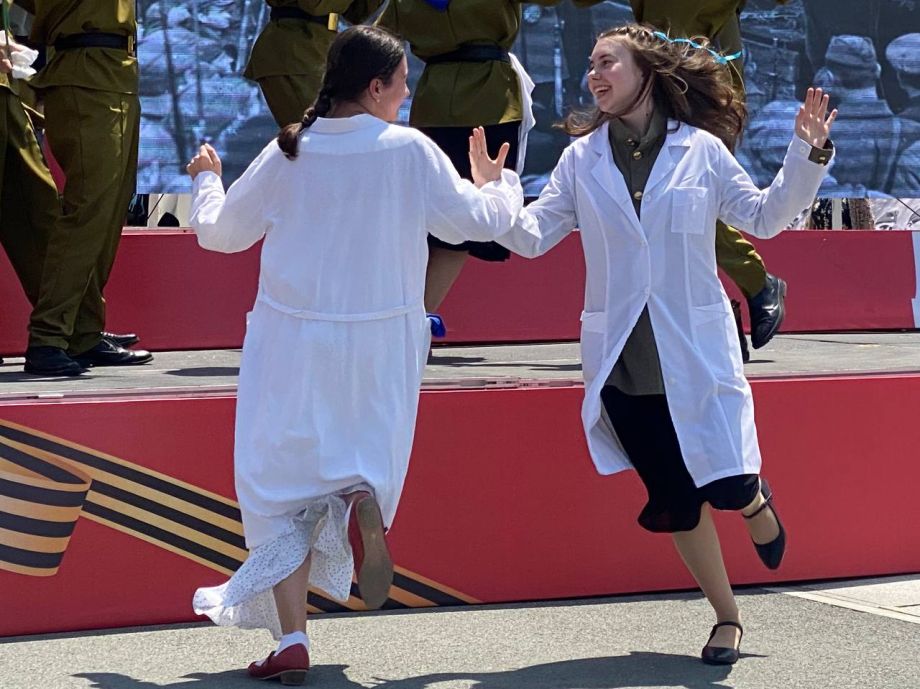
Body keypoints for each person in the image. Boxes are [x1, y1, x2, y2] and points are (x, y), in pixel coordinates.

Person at [188, 26, 523, 684]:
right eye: (401, 84)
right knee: (352, 464)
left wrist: (206, 181)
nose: (405, 96)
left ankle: (293, 636)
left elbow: (221, 234)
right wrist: (498, 183)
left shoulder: (290, 149)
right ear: (374, 87)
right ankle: (354, 500)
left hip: (292, 345)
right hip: (383, 344)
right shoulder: (409, 150)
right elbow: (480, 225)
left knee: (276, 495)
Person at [494, 24, 835, 665]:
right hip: (626, 366)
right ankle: (727, 617)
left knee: (729, 483)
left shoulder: (700, 150)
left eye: (608, 62)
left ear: (645, 72)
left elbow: (763, 217)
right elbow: (533, 236)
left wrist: (806, 154)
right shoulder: (580, 160)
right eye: (591, 64)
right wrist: (497, 190)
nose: (594, 75)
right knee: (678, 502)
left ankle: (753, 500)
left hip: (695, 349)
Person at [376, 0, 600, 319]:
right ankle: (412, 320)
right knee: (466, 224)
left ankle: (406, 318)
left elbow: (378, 37)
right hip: (491, 102)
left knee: (432, 222)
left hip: (435, 101)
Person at [628, 0, 789, 355]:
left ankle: (744, 295)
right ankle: (730, 312)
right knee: (667, 203)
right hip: (655, 76)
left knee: (685, 199)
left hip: (704, 81)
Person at [13, 0, 152, 375]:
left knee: (108, 213)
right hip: (86, 68)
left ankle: (83, 332)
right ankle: (48, 336)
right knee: (88, 213)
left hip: (114, 71)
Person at [244, 1, 385, 129]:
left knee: (330, 135)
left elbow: (357, 13)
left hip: (316, 49)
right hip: (296, 51)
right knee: (322, 134)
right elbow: (315, 4)